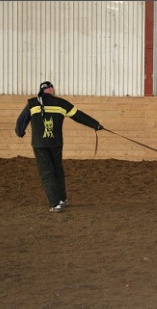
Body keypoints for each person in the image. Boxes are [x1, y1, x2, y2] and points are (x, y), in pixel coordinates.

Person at [15, 81, 104, 213]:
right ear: (50, 89)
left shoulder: (32, 103)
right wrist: (96, 125)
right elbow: (78, 115)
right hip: (55, 143)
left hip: (39, 144)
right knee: (57, 170)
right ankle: (62, 199)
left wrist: (20, 131)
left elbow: (21, 120)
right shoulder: (61, 103)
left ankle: (55, 203)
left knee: (46, 172)